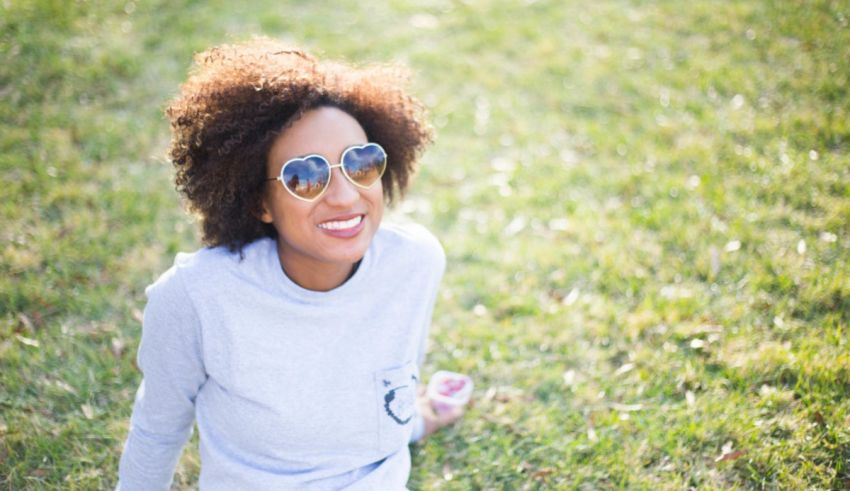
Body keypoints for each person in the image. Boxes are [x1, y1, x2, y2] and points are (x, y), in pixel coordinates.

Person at [117, 38, 465, 490]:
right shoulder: (196, 298)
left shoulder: (415, 262)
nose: (344, 196)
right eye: (307, 176)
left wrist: (414, 421)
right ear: (261, 201)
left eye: (360, 164)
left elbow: (381, 394)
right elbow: (157, 430)